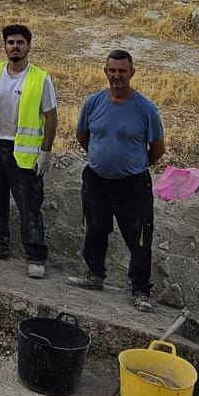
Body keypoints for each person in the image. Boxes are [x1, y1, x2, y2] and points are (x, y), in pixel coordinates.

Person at [67, 49, 164, 312]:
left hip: (133, 186)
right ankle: (94, 275)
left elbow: (157, 148)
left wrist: (136, 166)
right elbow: (82, 135)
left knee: (140, 237)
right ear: (105, 72)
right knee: (95, 230)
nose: (117, 76)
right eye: (112, 71)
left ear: (132, 73)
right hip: (97, 181)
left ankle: (140, 290)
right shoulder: (93, 103)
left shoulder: (146, 109)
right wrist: (102, 159)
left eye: (122, 71)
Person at [0, 24, 59, 279]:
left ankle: (36, 256)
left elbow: (51, 117)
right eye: (10, 42)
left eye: (20, 42)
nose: (15, 47)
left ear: (29, 46)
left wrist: (46, 152)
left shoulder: (40, 78)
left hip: (24, 152)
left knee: (29, 206)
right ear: (5, 46)